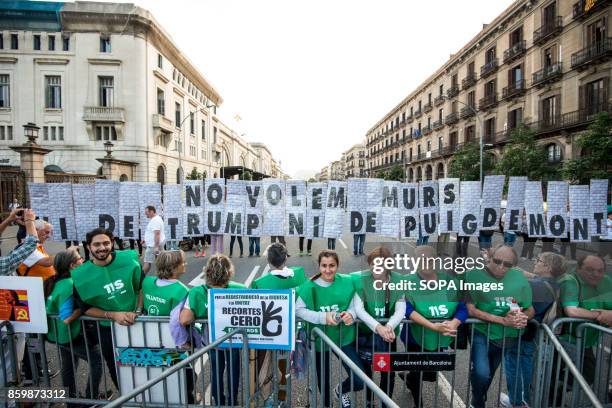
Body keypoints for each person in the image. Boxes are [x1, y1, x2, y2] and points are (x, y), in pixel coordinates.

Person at [71, 228, 144, 391]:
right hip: (106, 329)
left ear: (112, 243)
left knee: (145, 361)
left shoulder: (129, 260)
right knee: (116, 366)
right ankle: (128, 397)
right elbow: (84, 307)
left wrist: (138, 312)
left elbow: (142, 287)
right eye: (96, 244)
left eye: (106, 243)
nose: (102, 247)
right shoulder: (80, 275)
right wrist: (112, 315)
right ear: (89, 247)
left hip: (138, 323)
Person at [465, 244, 534, 408]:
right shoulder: (473, 275)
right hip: (481, 332)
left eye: (508, 264)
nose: (501, 267)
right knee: (482, 372)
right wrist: (502, 320)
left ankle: (478, 400)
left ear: (514, 265)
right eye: (497, 261)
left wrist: (523, 317)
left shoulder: (519, 278)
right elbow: (470, 310)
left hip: (507, 336)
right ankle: (478, 401)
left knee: (489, 374)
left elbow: (530, 308)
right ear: (489, 257)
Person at [296, 250, 366, 408]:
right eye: (324, 266)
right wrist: (323, 317)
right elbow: (298, 310)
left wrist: (350, 314)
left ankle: (341, 390)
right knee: (323, 380)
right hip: (321, 339)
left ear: (338, 265)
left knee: (360, 379)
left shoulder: (348, 281)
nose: (328, 270)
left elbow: (355, 306)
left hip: (344, 337)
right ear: (319, 266)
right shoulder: (309, 286)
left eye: (332, 266)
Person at [402, 245, 467, 407]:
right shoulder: (408, 282)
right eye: (421, 260)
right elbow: (407, 309)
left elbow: (462, 308)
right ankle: (419, 403)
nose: (425, 263)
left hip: (439, 336)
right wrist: (432, 326)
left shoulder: (449, 281)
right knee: (418, 371)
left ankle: (408, 377)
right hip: (415, 337)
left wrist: (453, 323)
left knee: (431, 374)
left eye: (429, 260)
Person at [501, 252, 566, 408]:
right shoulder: (555, 284)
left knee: (512, 365)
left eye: (538, 260)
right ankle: (528, 400)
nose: (535, 263)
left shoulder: (533, 285)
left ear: (548, 267)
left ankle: (516, 401)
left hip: (520, 330)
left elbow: (513, 302)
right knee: (528, 367)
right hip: (535, 333)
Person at [179, 254, 245, 406]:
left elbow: (184, 319)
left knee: (216, 371)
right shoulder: (239, 289)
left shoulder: (197, 292)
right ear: (228, 273)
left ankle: (219, 401)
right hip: (234, 339)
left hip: (212, 340)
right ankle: (232, 401)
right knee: (233, 371)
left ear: (207, 272)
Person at [46, 248, 103, 404]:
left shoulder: (55, 280)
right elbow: (66, 318)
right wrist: (82, 309)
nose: (82, 260)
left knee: (68, 365)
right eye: (79, 259)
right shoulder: (70, 284)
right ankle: (91, 399)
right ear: (72, 265)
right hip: (70, 335)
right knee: (97, 361)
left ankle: (71, 400)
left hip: (58, 335)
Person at [251, 243, 306, 402]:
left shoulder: (260, 282)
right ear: (285, 258)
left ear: (268, 260)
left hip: (269, 332)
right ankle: (283, 398)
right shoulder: (299, 275)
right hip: (292, 330)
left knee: (266, 366)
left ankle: (267, 396)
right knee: (285, 365)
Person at [352, 246, 405, 408]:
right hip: (366, 334)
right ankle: (369, 401)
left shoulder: (398, 280)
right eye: (373, 264)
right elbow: (359, 309)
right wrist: (378, 327)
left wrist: (388, 326)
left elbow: (400, 309)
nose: (376, 268)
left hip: (388, 335)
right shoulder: (361, 279)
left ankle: (385, 403)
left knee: (388, 373)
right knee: (367, 372)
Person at [558, 254, 612, 387]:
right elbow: (572, 311)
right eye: (590, 269)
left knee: (586, 376)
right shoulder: (569, 281)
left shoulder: (606, 281)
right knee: (556, 375)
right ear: (578, 268)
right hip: (564, 340)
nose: (595, 274)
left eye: (600, 270)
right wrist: (601, 315)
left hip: (586, 341)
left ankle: (554, 393)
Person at [142, 250, 189, 317]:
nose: (185, 264)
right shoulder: (182, 291)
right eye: (183, 262)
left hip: (145, 325)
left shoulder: (146, 281)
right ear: (174, 268)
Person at [0, 209, 38, 275]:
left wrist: (9, 219)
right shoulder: (2, 266)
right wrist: (30, 221)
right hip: (22, 234)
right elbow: (31, 244)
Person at [142, 206, 165, 274]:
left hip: (153, 246)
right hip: (155, 245)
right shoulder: (156, 219)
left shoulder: (155, 220)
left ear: (151, 211)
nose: (145, 214)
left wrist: (156, 247)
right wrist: (145, 239)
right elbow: (152, 233)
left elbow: (157, 233)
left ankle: (140, 278)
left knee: (147, 262)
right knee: (160, 261)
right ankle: (163, 276)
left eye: (147, 212)